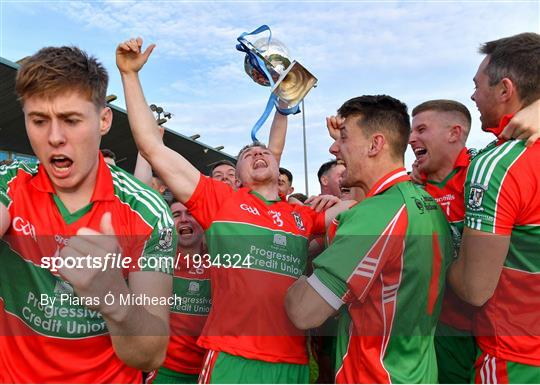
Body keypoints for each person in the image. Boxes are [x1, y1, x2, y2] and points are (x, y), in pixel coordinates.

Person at [116, 37, 350, 384]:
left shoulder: (303, 216)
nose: (258, 155)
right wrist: (130, 76)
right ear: (237, 178)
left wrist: (343, 161)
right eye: (246, 156)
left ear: (277, 163)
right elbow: (152, 147)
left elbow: (365, 203)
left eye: (265, 153)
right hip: (233, 357)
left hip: (293, 362)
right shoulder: (220, 202)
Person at [0, 46, 175, 383]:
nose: (54, 137)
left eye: (71, 120)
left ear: (104, 120)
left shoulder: (148, 213)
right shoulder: (9, 186)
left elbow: (151, 354)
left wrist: (113, 299)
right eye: (38, 121)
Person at [285, 95, 454, 384]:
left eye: (344, 138)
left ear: (375, 145)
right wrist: (348, 147)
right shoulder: (425, 203)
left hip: (372, 375)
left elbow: (304, 312)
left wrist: (281, 267)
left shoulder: (375, 215)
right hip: (415, 372)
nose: (333, 148)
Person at [448, 32, 540, 383]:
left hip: (516, 360)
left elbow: (474, 288)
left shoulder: (499, 163)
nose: (472, 95)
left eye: (477, 85)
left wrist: (435, 250)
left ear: (505, 89)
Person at [409, 99, 478, 383]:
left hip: (500, 325)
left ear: (454, 133)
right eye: (412, 131)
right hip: (443, 326)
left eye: (422, 129)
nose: (412, 138)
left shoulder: (484, 172)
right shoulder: (410, 188)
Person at [151, 201, 210, 384]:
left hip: (209, 369)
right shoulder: (157, 258)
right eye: (176, 215)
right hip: (165, 370)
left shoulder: (220, 258)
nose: (184, 219)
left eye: (190, 213)